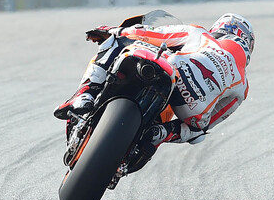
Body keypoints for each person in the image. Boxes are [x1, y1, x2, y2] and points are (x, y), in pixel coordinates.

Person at [54, 12, 254, 176]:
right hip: (192, 108)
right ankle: (158, 134)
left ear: (220, 28)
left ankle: (85, 94)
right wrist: (175, 130)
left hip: (176, 69)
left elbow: (153, 34)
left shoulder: (201, 34)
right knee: (198, 128)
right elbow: (210, 122)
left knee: (114, 43)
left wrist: (113, 31)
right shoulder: (243, 85)